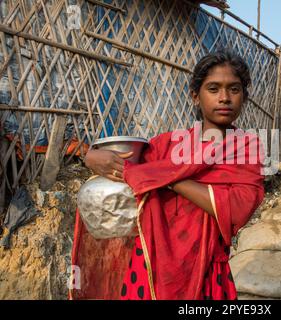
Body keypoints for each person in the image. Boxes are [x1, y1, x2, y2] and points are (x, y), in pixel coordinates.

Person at [70, 51, 266, 300]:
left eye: (234, 89)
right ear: (196, 96)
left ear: (244, 97)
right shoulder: (166, 145)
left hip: (206, 271)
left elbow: (237, 208)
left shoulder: (245, 148)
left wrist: (169, 179)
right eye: (213, 89)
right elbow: (126, 172)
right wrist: (91, 156)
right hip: (150, 266)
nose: (224, 98)